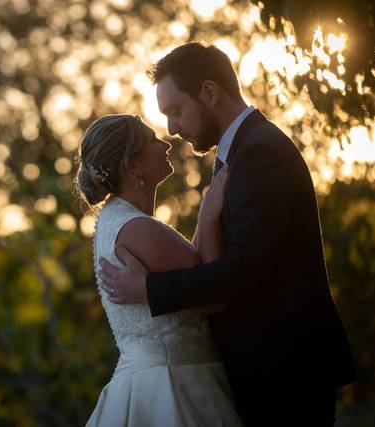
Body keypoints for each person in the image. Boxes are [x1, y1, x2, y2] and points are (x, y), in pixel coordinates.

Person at [97, 42, 356, 426]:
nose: (171, 129)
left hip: (285, 373)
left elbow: (247, 268)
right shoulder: (238, 154)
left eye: (175, 111)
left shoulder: (258, 154)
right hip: (264, 374)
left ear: (209, 92)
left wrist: (149, 290)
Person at [75, 113, 244, 426]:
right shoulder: (137, 228)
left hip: (151, 379)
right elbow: (211, 295)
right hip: (173, 386)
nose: (165, 143)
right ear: (132, 166)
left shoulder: (118, 220)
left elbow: (189, 265)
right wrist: (208, 218)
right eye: (152, 140)